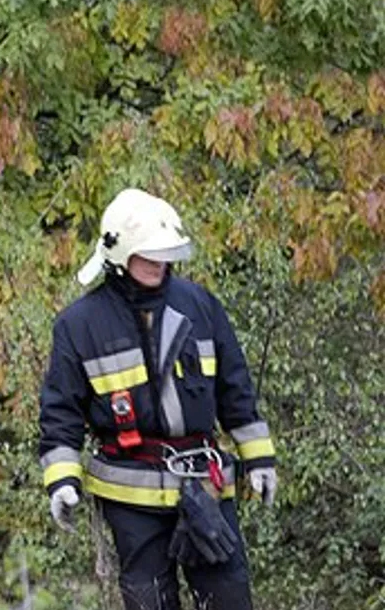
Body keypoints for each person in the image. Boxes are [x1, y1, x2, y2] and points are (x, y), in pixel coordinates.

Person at [37, 188, 278, 610]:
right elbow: (61, 411)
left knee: (228, 596)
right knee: (148, 600)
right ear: (118, 255)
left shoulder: (199, 305)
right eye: (147, 256)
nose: (158, 265)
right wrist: (62, 480)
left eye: (163, 255)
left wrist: (258, 458)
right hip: (131, 496)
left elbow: (234, 387)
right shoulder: (79, 325)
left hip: (204, 484)